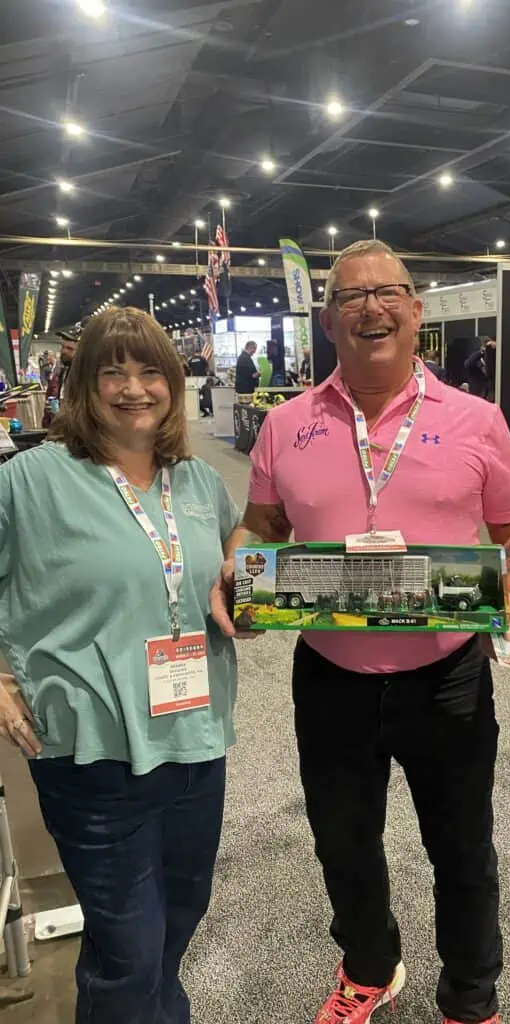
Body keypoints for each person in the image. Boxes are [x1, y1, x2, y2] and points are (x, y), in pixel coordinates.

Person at [211, 238, 510, 1024]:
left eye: (389, 291)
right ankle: (370, 967)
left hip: (448, 672)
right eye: (352, 296)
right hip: (331, 675)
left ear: (416, 311)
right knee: (343, 843)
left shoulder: (477, 419)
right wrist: (244, 576)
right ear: (330, 319)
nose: (372, 306)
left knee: (462, 848)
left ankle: (470, 997)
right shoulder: (287, 424)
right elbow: (259, 527)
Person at [0, 307, 241, 1024]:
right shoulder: (30, 480)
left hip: (196, 741)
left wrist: (250, 608)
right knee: (127, 949)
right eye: (113, 372)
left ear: (174, 382)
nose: (133, 388)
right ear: (83, 385)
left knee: (179, 917)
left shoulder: (198, 484)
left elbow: (234, 579)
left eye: (149, 372)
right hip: (92, 750)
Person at [42, 322, 82, 427]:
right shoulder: (63, 373)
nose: (63, 351)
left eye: (70, 349)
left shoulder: (87, 378)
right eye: (63, 347)